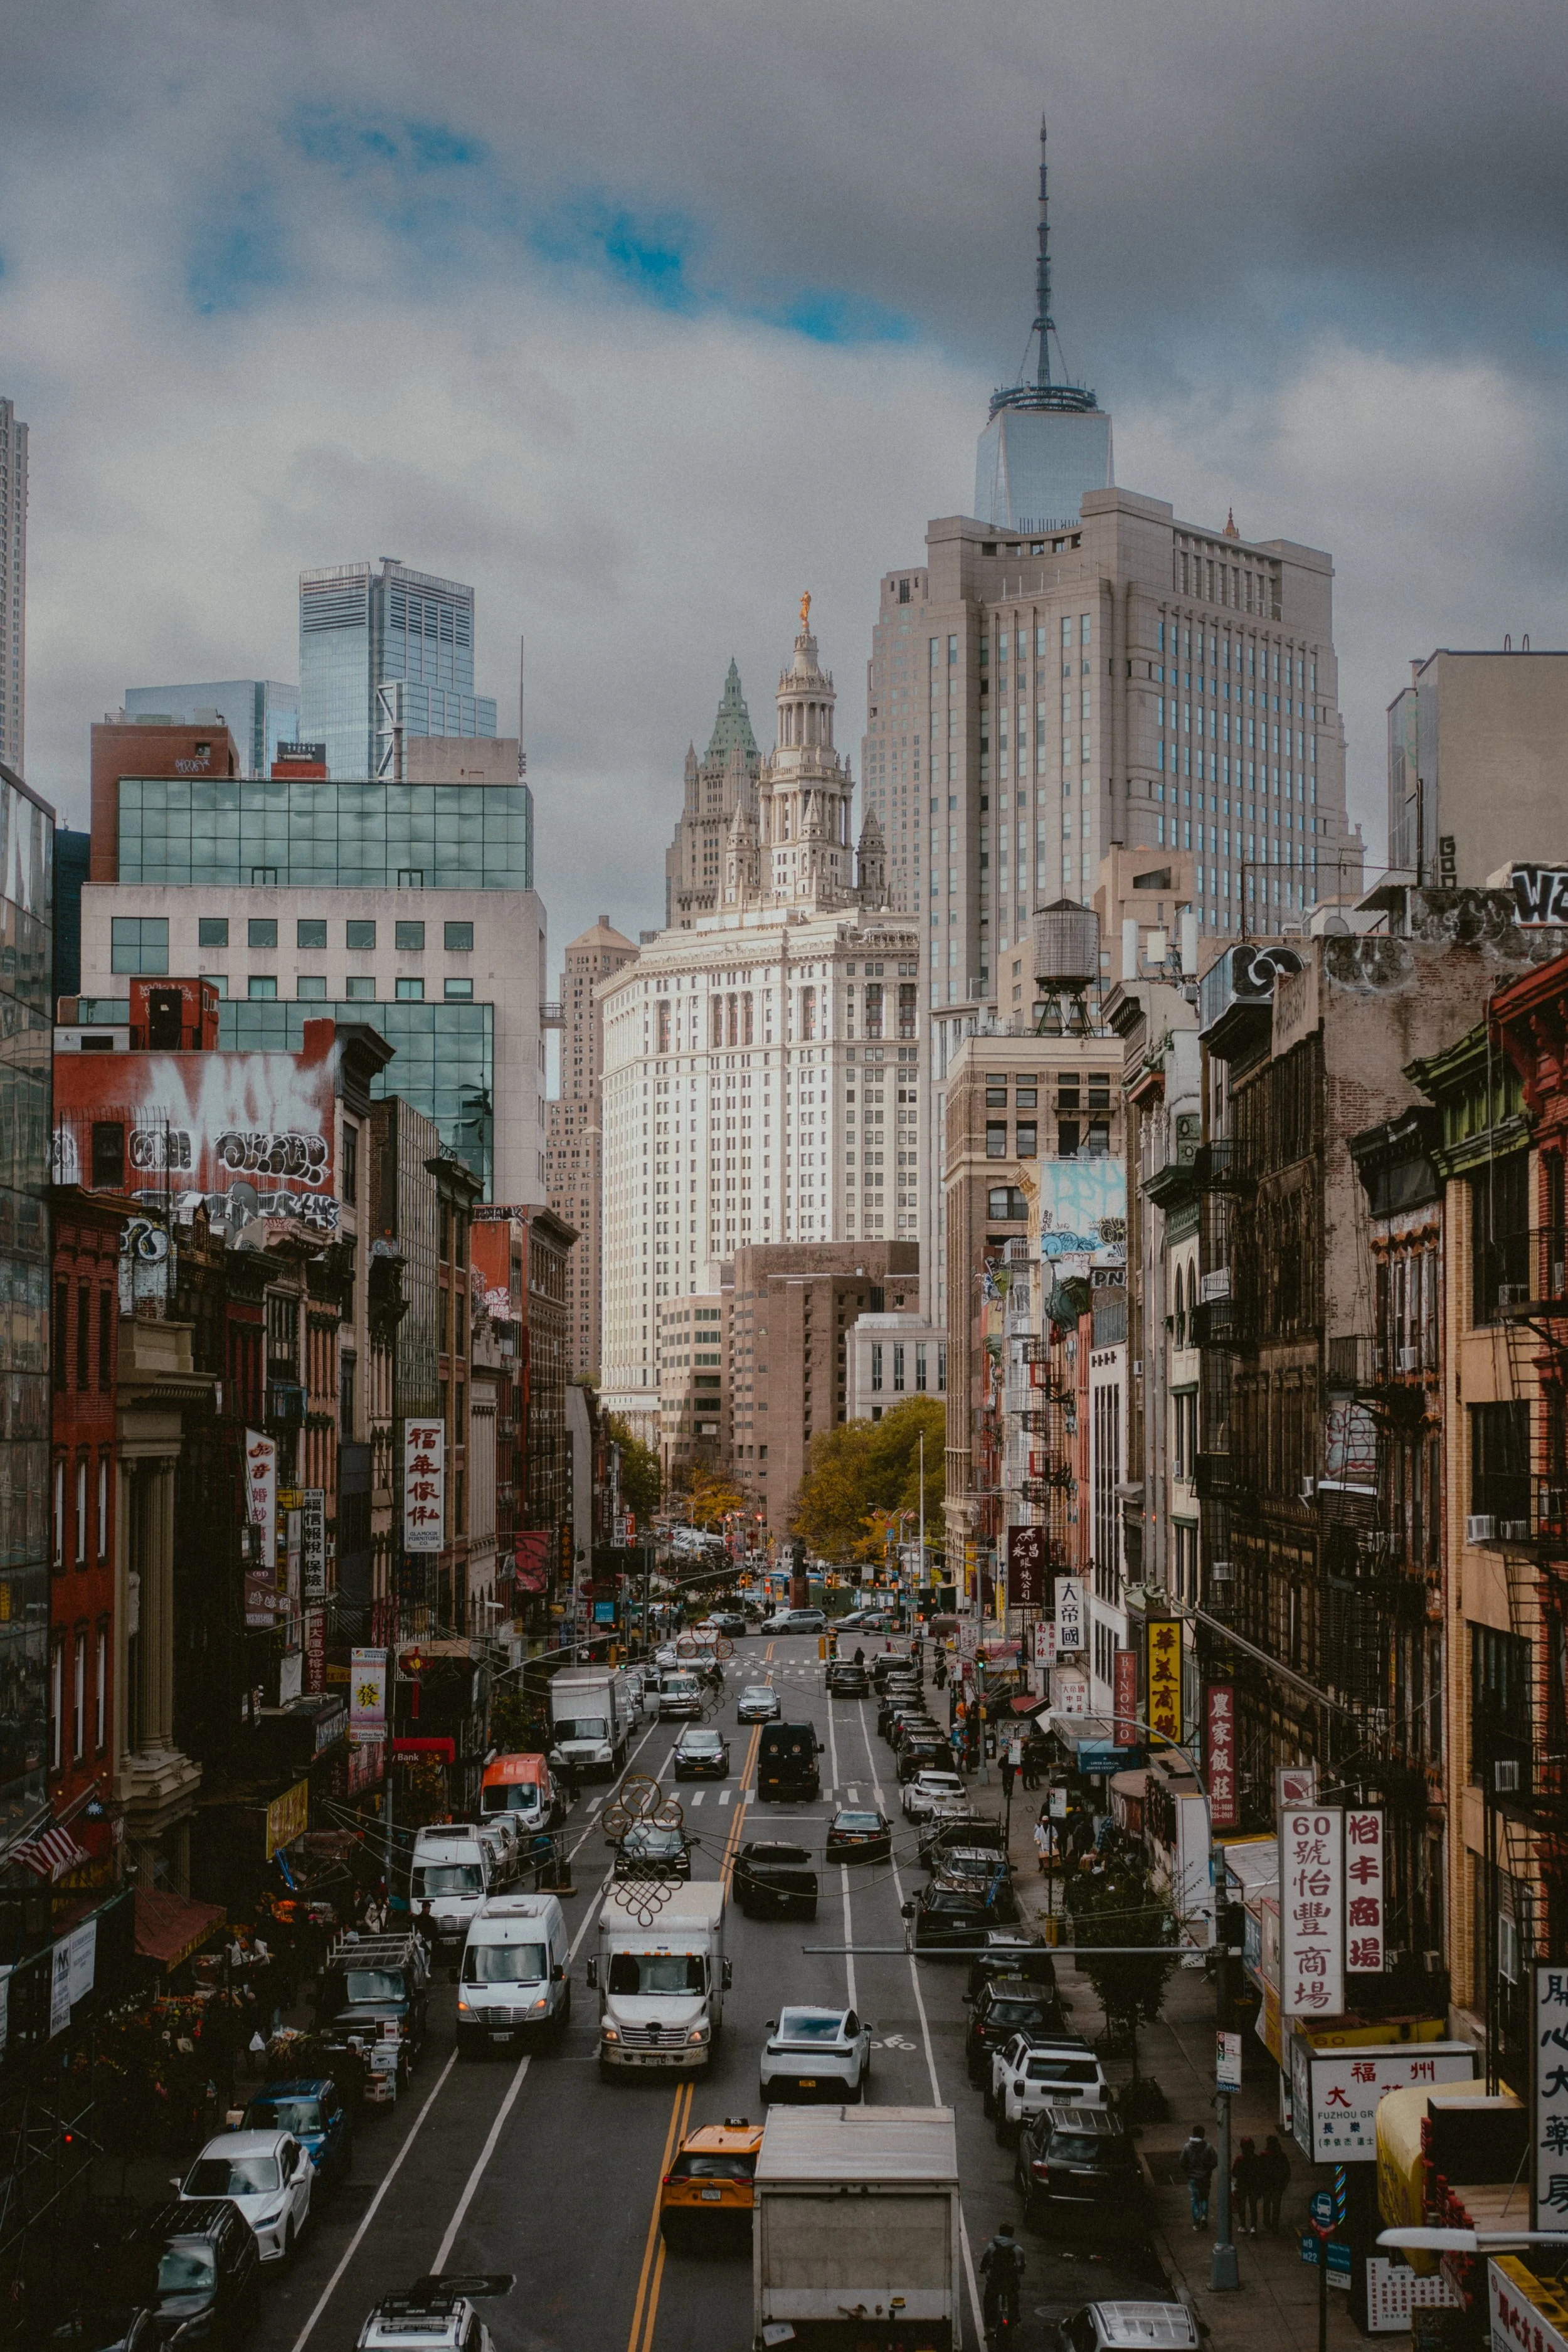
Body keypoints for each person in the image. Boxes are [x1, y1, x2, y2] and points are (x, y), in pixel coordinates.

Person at [979, 2222, 1024, 2335]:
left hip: (995, 2281)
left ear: (1000, 2232)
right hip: (1010, 2282)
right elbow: (1022, 2266)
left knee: (989, 2300)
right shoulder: (1018, 2250)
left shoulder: (992, 2247)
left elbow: (985, 2261)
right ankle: (1014, 2319)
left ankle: (990, 2326)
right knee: (1014, 2298)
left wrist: (982, 2269)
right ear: (1012, 2235)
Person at [1180, 2123, 1219, 2229]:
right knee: (1204, 2198)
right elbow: (1215, 2161)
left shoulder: (1187, 2147)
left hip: (1193, 2177)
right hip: (1205, 2177)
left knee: (1195, 2200)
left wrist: (1189, 2171)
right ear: (1203, 2135)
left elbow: (1182, 2162)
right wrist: (1208, 2169)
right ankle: (1204, 2217)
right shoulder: (1208, 2147)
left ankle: (1196, 2223)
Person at [1258, 2134, 1291, 2233]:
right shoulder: (1281, 2156)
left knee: (1267, 2203)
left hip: (1267, 2185)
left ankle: (1267, 2221)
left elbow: (1260, 2170)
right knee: (1276, 2205)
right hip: (1277, 2186)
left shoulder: (1264, 2155)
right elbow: (1287, 2171)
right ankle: (1274, 2223)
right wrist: (1284, 2184)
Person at [1232, 2134, 1261, 2235]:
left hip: (1242, 2186)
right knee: (1253, 2207)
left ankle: (1243, 2225)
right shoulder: (1257, 2159)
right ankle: (1253, 2226)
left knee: (1242, 2207)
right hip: (1253, 2186)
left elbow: (1234, 2172)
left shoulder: (1239, 2159)